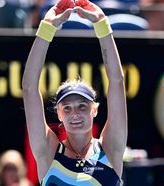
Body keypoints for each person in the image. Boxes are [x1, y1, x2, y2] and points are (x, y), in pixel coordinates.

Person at [21, 0, 127, 184]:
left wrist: (101, 24)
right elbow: (29, 88)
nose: (75, 113)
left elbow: (117, 82)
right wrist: (47, 28)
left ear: (94, 110)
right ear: (59, 114)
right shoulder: (48, 152)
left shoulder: (110, 148)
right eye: (67, 108)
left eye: (82, 106)